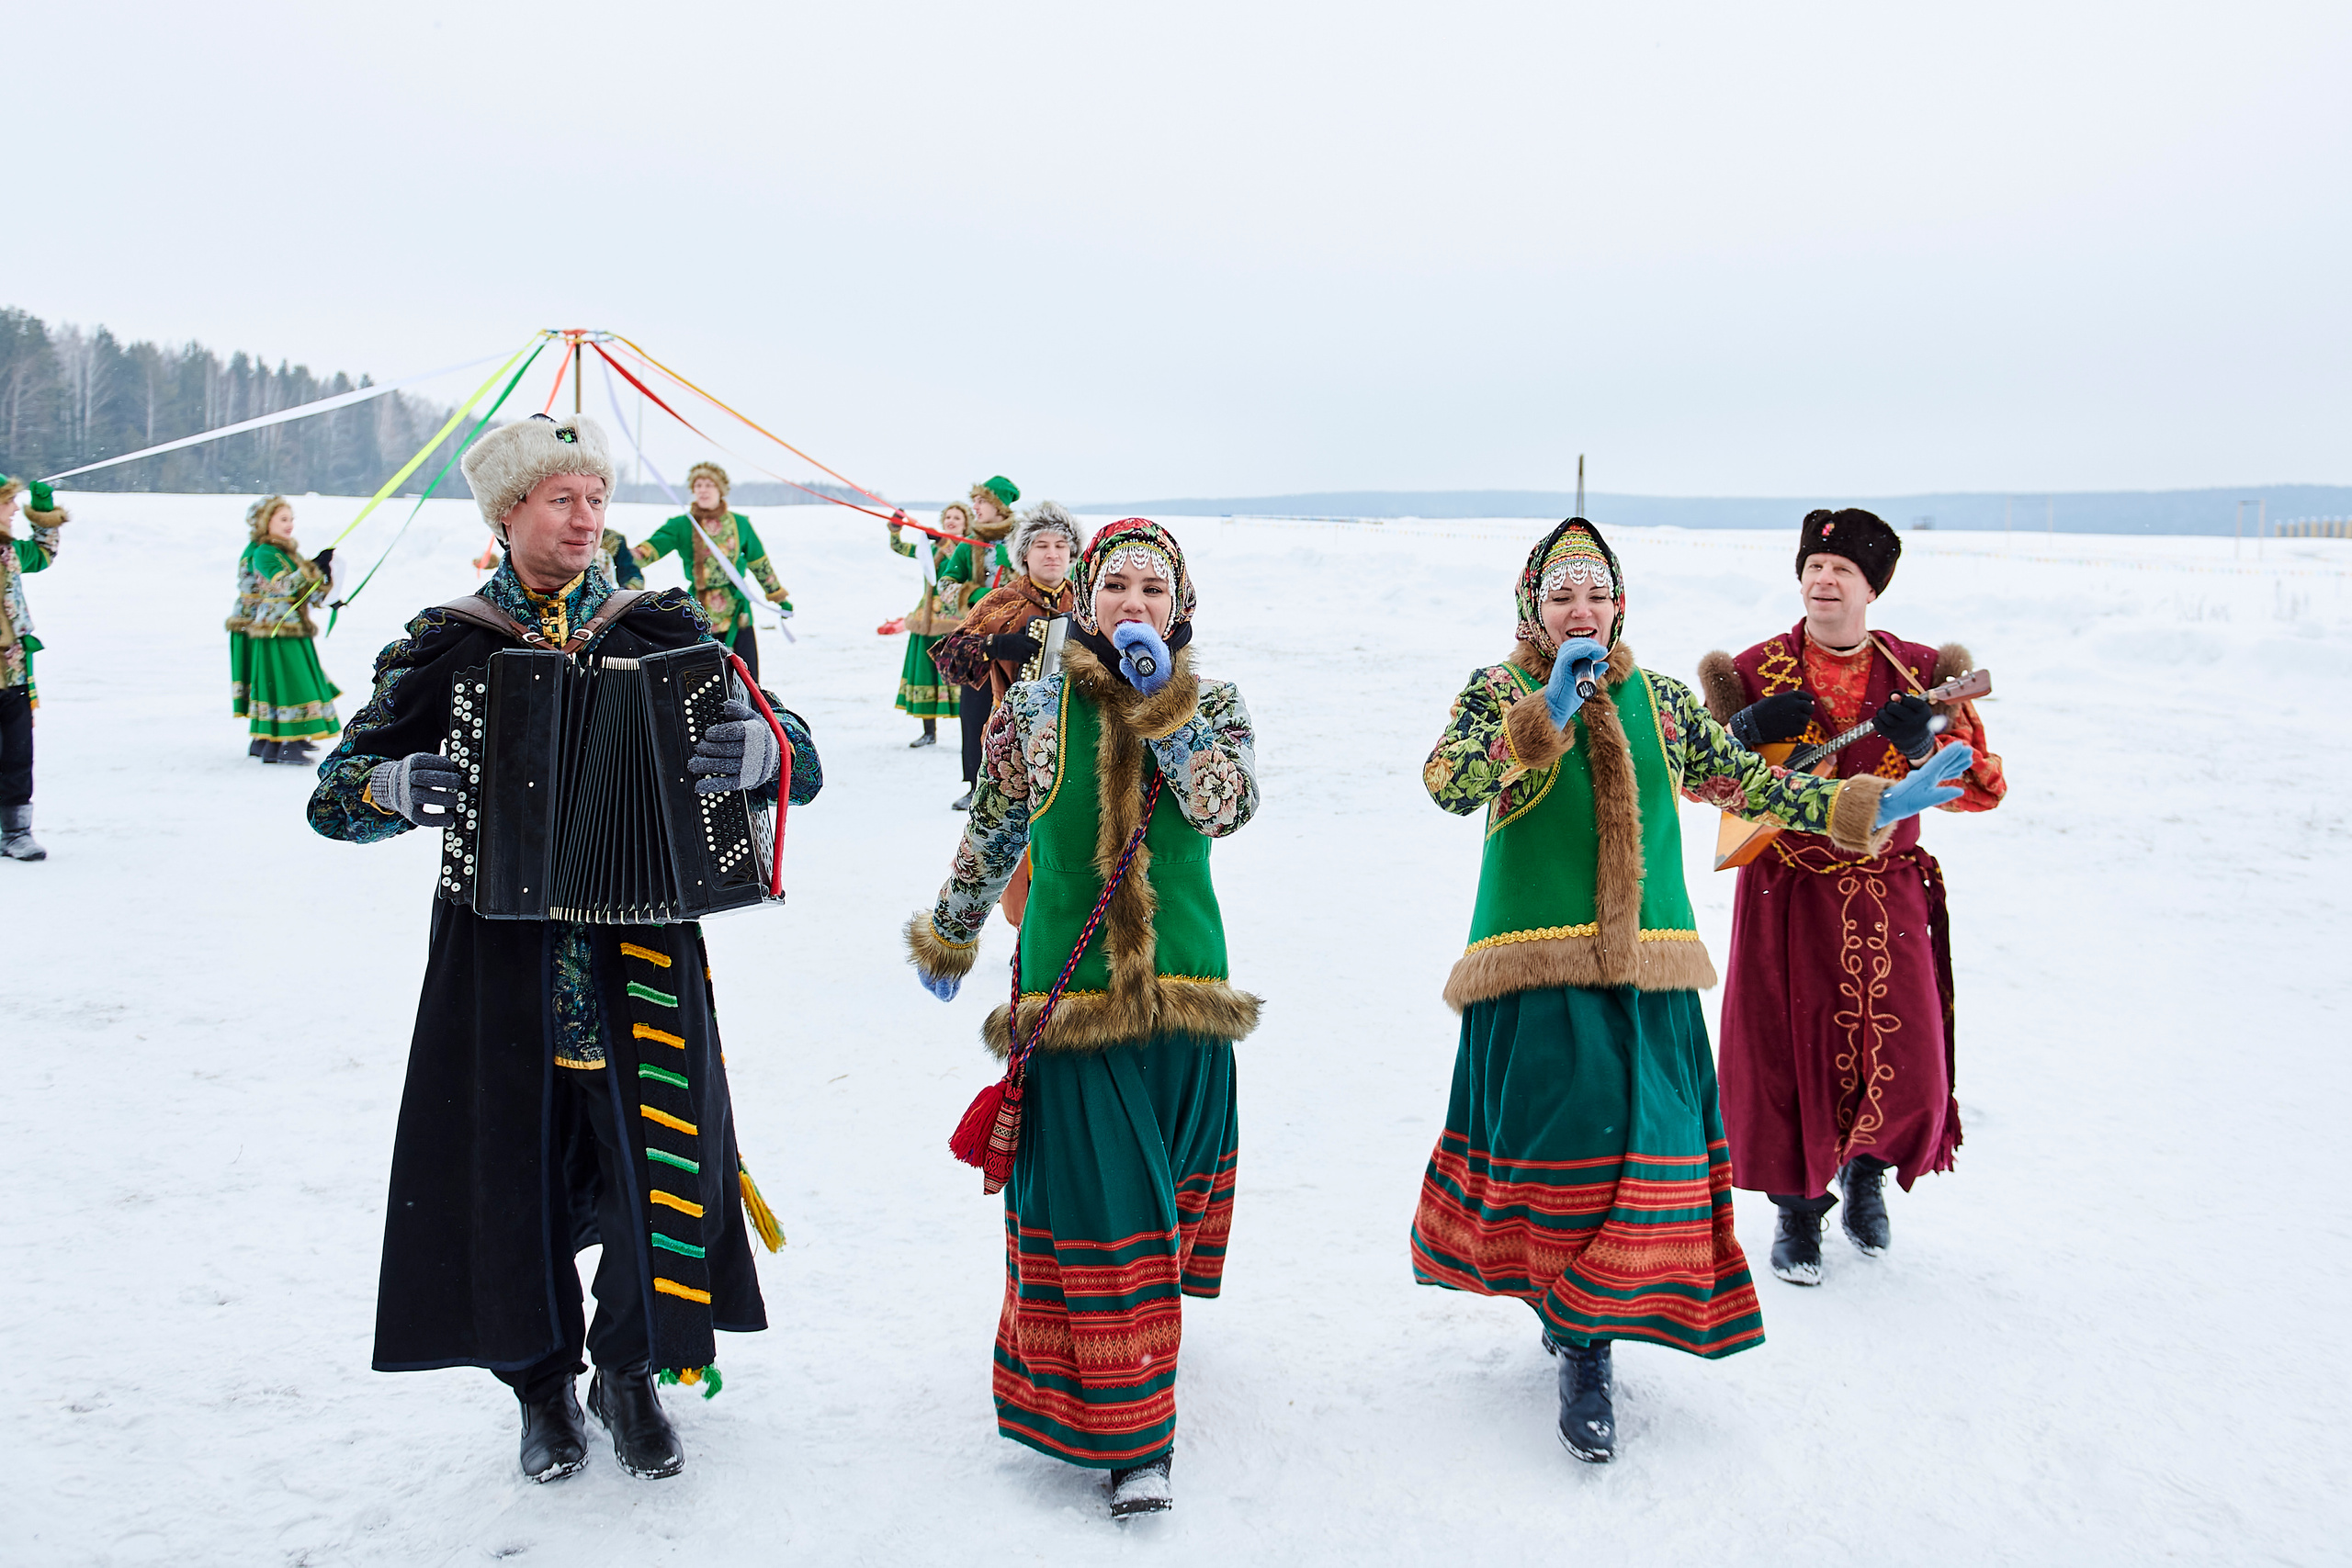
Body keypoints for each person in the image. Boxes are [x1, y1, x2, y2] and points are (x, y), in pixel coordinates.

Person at [308, 413, 823, 1485]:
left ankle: (626, 1372)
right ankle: (540, 1388)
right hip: (498, 968)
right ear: (509, 516)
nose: (586, 518)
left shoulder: (662, 629)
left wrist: (756, 752)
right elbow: (333, 795)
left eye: (596, 497)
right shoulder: (449, 641)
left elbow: (800, 757)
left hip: (644, 960)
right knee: (508, 1179)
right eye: (562, 499)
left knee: (663, 1175)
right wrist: (391, 789)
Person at [1409, 517, 1974, 1464]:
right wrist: (1540, 713)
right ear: (1532, 609)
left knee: (1652, 1154)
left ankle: (1587, 1328)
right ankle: (1579, 1336)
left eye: (1594, 594)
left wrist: (1877, 802)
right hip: (1537, 970)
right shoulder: (1497, 690)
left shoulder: (1662, 702)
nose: (1579, 609)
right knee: (1567, 1151)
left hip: (1654, 970)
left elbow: (1750, 785)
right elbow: (1448, 783)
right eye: (1560, 596)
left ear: (1617, 603)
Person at [904, 518, 1260, 1518]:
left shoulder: (1217, 701)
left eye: (1154, 588)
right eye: (1116, 587)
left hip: (1189, 991)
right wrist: (953, 925)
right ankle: (1134, 1436)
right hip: (1070, 997)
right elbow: (994, 822)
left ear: (1180, 607)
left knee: (1173, 1203)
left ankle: (1141, 1348)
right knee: (1103, 1216)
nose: (1133, 603)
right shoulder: (1031, 703)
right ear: (1084, 601)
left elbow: (1227, 807)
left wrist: (1168, 709)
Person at [1697, 508, 2006, 1284]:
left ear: (1873, 589)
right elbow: (1698, 781)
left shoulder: (1923, 671)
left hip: (1884, 890)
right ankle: (1797, 1211)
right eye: (1812, 568)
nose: (1823, 581)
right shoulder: (1752, 668)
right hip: (1786, 890)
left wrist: (1920, 745)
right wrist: (1744, 730)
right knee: (1783, 1054)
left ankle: (1866, 1176)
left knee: (1896, 1052)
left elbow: (1984, 790)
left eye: (1842, 572)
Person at [630, 462, 790, 683]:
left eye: (709, 484)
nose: (703, 490)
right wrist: (618, 556)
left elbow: (759, 562)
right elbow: (650, 549)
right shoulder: (682, 525)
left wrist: (777, 595)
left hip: (738, 613)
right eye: (698, 485)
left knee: (749, 678)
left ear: (720, 489)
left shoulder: (740, 524)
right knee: (705, 679)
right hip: (700, 613)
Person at [933, 500, 1085, 707]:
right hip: (1011, 723)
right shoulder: (1001, 601)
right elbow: (947, 660)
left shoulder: (1085, 602)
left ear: (1071, 554)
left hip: (1073, 724)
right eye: (1041, 546)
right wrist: (993, 646)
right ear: (1024, 555)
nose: (1052, 554)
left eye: (1060, 546)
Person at [228, 496, 343, 764]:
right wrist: (313, 567)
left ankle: (277, 740)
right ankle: (283, 742)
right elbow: (284, 586)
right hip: (276, 627)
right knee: (289, 683)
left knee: (291, 680)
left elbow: (303, 589)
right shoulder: (264, 552)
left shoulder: (286, 551)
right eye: (283, 519)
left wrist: (326, 587)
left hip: (291, 625)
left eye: (291, 519)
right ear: (265, 522)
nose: (290, 525)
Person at [938, 476, 1019, 808]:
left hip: (1017, 645)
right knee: (971, 714)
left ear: (998, 505)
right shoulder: (967, 544)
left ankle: (1015, 783)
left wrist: (1011, 568)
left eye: (981, 501)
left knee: (1011, 714)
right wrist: (979, 594)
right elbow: (945, 586)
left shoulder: (1023, 541)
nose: (975, 507)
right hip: (976, 644)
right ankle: (974, 783)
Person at [0, 473, 64, 862]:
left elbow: (44, 552)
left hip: (13, 670)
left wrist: (42, 509)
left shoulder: (9, 552)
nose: (12, 510)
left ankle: (16, 831)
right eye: (7, 503)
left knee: (18, 754)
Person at [888, 502, 974, 747]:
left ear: (967, 522)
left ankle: (967, 737)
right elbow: (901, 548)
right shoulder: (933, 548)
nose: (951, 521)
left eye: (957, 517)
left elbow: (960, 570)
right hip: (925, 621)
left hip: (953, 623)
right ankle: (929, 732)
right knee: (925, 673)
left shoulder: (970, 548)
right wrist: (895, 529)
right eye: (947, 517)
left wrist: (945, 543)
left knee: (959, 678)